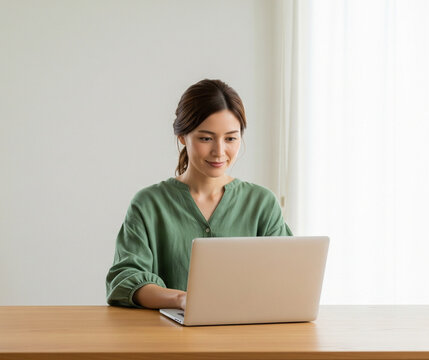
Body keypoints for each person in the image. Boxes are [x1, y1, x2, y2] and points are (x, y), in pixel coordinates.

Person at [105, 79, 292, 310]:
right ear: (182, 136)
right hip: (167, 340)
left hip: (245, 337)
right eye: (206, 138)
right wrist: (182, 300)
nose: (219, 151)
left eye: (231, 138)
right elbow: (125, 279)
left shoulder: (262, 203)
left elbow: (287, 276)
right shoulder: (148, 204)